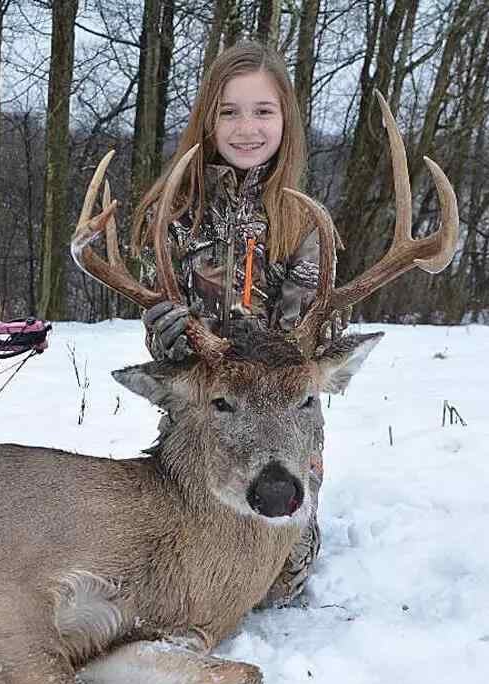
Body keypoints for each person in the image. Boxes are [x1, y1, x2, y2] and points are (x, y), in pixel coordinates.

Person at [130, 41, 338, 608]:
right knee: (172, 561)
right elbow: (160, 326)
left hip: (284, 421)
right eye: (229, 112)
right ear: (208, 120)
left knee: (280, 578)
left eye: (263, 111)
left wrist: (303, 340)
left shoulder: (305, 226)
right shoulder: (174, 217)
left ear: (285, 122)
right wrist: (166, 334)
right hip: (209, 418)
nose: (247, 127)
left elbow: (316, 342)